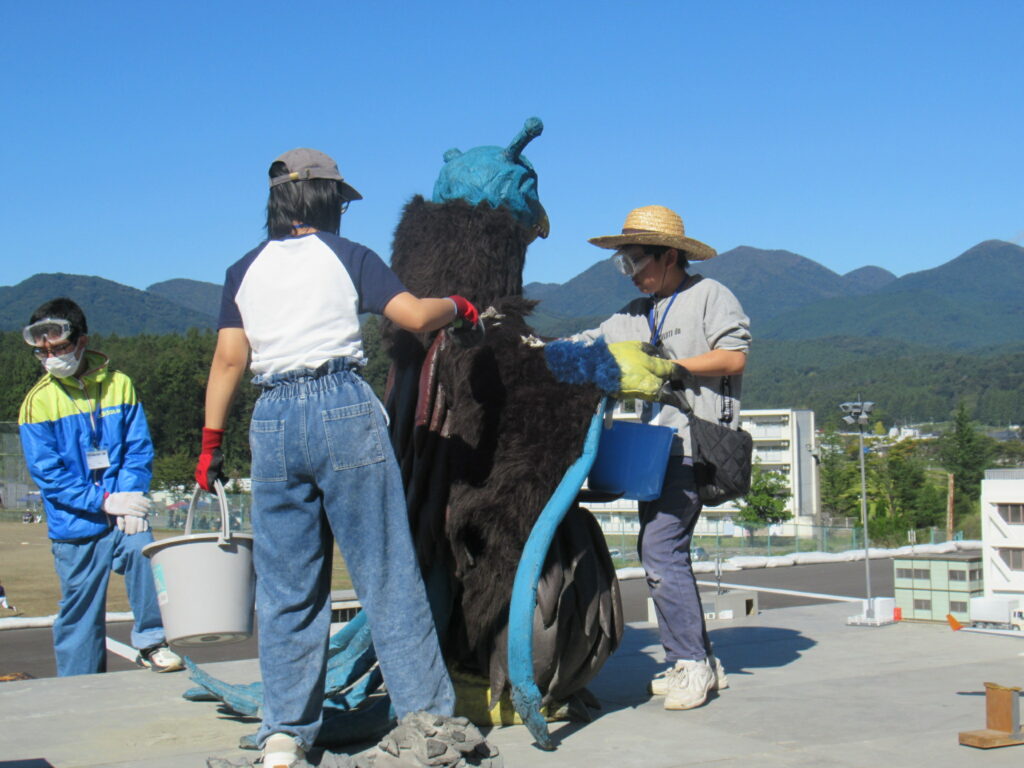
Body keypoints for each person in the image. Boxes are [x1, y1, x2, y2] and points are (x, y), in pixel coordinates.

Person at [196, 148, 493, 768]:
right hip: (341, 408)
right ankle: (427, 722)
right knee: (384, 572)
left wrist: (210, 444)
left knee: (287, 587)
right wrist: (460, 307)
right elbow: (412, 316)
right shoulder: (346, 255)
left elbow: (229, 360)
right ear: (328, 200)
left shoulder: (242, 270)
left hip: (272, 417)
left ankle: (284, 736)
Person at [573, 205, 750, 710]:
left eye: (635, 260)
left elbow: (734, 356)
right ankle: (699, 661)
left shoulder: (708, 295)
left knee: (660, 551)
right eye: (623, 263)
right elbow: (588, 342)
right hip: (654, 452)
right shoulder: (633, 314)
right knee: (664, 553)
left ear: (669, 255)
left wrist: (674, 368)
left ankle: (690, 663)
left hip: (695, 446)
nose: (630, 272)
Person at [18, 298, 184, 676]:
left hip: (121, 510)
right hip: (75, 525)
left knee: (144, 552)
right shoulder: (37, 403)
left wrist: (128, 497)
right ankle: (79, 681)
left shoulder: (120, 386)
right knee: (80, 610)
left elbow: (137, 449)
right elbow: (50, 476)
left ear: (81, 341)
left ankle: (152, 640)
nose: (50, 357)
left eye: (58, 348)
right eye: (43, 352)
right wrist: (104, 501)